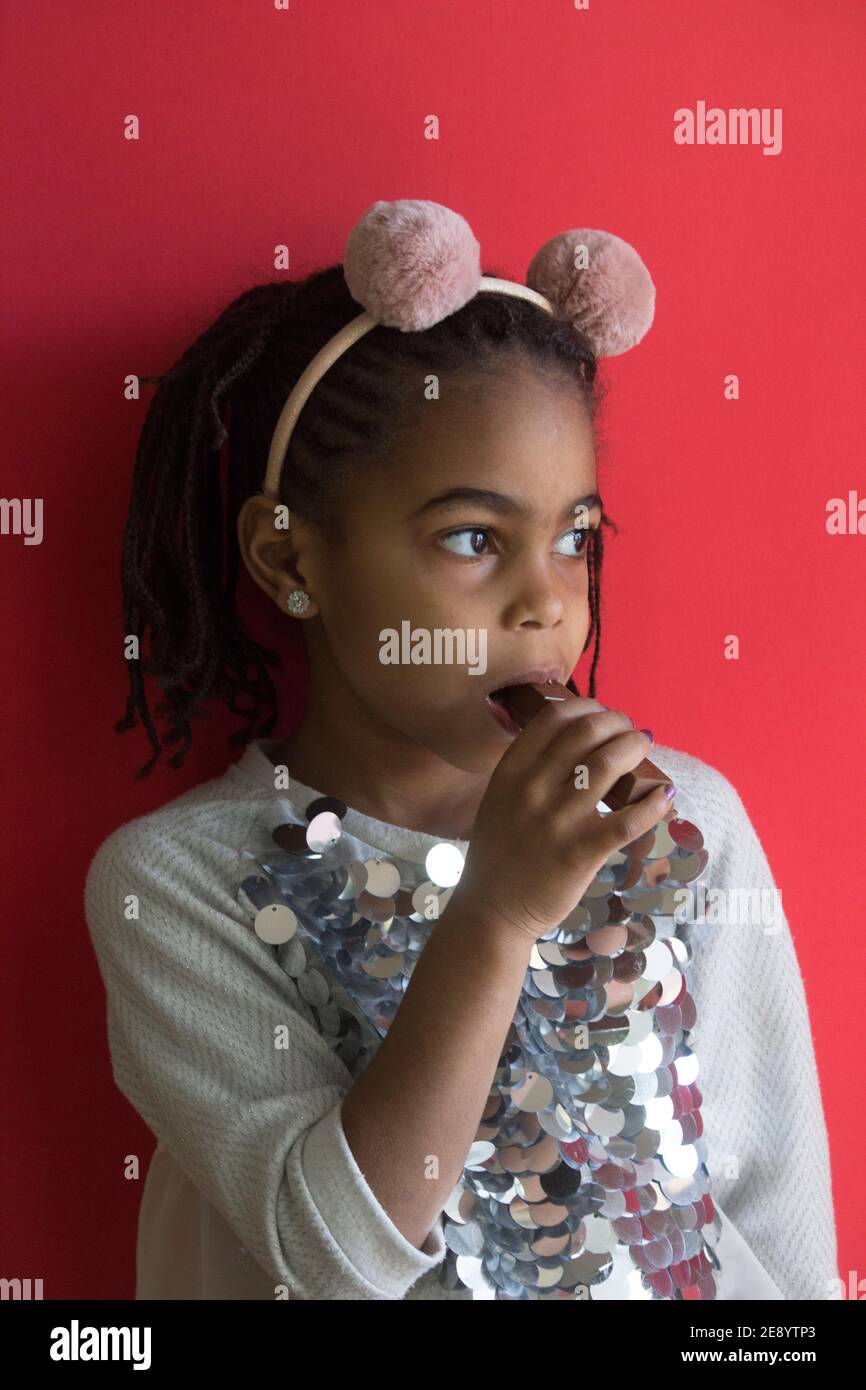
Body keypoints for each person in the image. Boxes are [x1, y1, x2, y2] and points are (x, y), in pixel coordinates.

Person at [84, 199, 837, 1301]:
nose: (546, 601)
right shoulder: (180, 882)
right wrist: (493, 914)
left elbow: (774, 1211)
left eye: (573, 537)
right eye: (473, 539)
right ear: (287, 555)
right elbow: (332, 1257)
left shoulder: (681, 822)